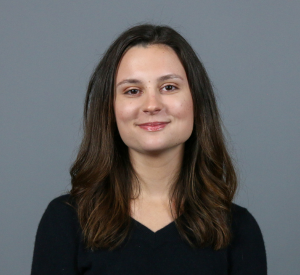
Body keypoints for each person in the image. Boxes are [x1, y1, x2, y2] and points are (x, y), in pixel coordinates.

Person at [31, 24, 267, 274]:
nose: (152, 105)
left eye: (169, 87)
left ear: (197, 101)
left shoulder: (238, 228)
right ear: (109, 110)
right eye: (133, 91)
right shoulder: (64, 222)